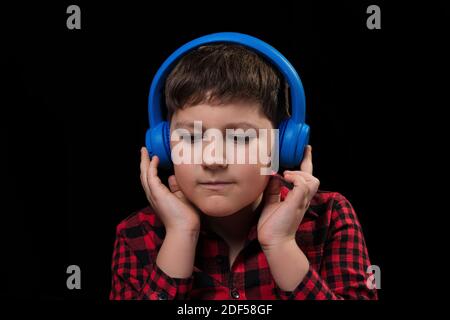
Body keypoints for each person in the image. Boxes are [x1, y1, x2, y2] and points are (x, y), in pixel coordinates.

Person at [109, 37, 378, 300]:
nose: (213, 160)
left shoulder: (330, 217)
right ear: (163, 145)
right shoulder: (136, 234)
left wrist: (281, 245)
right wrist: (181, 235)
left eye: (240, 138)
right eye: (191, 138)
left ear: (282, 145)